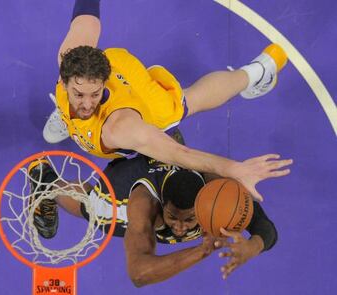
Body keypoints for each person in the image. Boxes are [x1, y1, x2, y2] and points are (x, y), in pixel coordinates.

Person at [41, 0, 292, 202]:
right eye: (78, 95)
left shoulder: (121, 128)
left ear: (104, 83)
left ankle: (259, 71)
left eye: (94, 95)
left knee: (188, 101)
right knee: (82, 56)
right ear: (64, 82)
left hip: (141, 99)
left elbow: (178, 153)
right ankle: (68, 117)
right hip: (113, 65)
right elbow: (86, 20)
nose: (87, 104)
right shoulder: (70, 59)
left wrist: (232, 169)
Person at [28, 153, 278, 286]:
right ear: (162, 205)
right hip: (130, 183)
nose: (179, 228)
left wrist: (253, 247)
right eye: (173, 218)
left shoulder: (220, 196)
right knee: (95, 210)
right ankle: (46, 180)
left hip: (176, 165)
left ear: (202, 207)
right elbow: (138, 273)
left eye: (189, 220)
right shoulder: (143, 206)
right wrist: (200, 251)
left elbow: (265, 227)